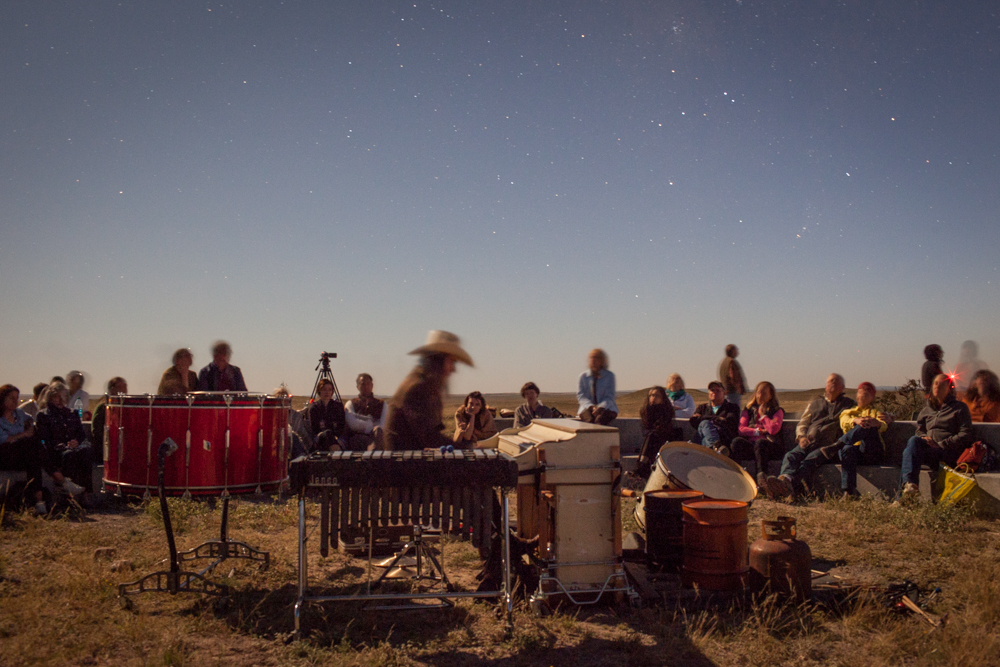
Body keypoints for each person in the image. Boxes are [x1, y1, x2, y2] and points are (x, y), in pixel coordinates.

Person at [764, 374, 856, 499]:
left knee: (808, 461)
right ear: (825, 386)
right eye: (830, 381)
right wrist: (801, 437)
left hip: (828, 446)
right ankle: (783, 480)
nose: (833, 383)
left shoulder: (849, 405)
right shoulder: (815, 403)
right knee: (791, 456)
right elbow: (804, 422)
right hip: (809, 442)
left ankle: (789, 490)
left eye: (836, 382)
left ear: (843, 387)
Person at [387, 330, 474, 451]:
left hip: (414, 458)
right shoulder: (417, 388)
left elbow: (432, 434)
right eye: (452, 361)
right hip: (405, 464)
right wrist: (467, 448)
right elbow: (429, 438)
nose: (454, 369)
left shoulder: (426, 385)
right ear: (438, 360)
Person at [899, 374, 973, 499]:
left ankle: (903, 496)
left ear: (949, 388)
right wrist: (924, 437)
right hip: (929, 451)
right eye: (935, 383)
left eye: (942, 383)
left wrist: (941, 444)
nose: (937, 386)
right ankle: (909, 489)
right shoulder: (927, 410)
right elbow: (919, 430)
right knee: (911, 446)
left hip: (947, 452)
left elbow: (965, 434)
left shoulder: (959, 408)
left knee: (909, 454)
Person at [823, 382, 893, 498]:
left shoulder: (877, 412)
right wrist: (855, 421)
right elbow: (843, 422)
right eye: (862, 390)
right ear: (857, 395)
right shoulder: (848, 412)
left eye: (868, 391)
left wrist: (878, 423)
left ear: (872, 397)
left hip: (872, 451)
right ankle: (849, 493)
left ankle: (836, 446)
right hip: (854, 453)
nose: (864, 392)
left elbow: (884, 424)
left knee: (868, 425)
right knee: (847, 448)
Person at [35, 381, 92, 498]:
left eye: (63, 397)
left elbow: (81, 434)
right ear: (50, 398)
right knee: (69, 455)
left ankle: (87, 493)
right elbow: (44, 438)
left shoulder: (72, 414)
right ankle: (68, 494)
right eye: (57, 397)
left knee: (86, 452)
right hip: (56, 451)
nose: (61, 401)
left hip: (73, 447)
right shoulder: (44, 415)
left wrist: (76, 441)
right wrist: (62, 445)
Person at [0, 384, 47, 514]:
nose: (15, 402)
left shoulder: (19, 414)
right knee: (30, 445)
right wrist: (24, 435)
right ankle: (56, 481)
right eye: (11, 398)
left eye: (17, 398)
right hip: (6, 454)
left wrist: (30, 428)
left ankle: (39, 500)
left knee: (33, 455)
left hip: (23, 453)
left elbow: (31, 420)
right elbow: (4, 439)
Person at [730, 381, 785, 486]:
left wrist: (764, 416)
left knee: (761, 443)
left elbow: (773, 430)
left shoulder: (777, 411)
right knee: (736, 442)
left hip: (771, 446)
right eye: (758, 392)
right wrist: (758, 431)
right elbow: (741, 429)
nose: (760, 396)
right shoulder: (748, 410)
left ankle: (762, 478)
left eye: (764, 393)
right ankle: (736, 476)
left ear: (771, 395)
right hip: (753, 445)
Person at [689, 381, 740, 456]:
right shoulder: (702, 408)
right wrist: (717, 418)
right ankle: (715, 448)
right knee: (705, 424)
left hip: (722, 438)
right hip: (703, 438)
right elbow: (693, 421)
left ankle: (712, 448)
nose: (714, 392)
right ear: (708, 393)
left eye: (718, 390)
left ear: (724, 393)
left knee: (705, 426)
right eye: (712, 390)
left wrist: (702, 418)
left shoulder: (732, 407)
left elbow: (729, 422)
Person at [635, 386, 676, 478]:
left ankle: (640, 466)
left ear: (662, 398)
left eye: (657, 395)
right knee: (650, 437)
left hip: (664, 438)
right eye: (651, 395)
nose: (653, 398)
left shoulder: (666, 411)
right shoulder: (645, 411)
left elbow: (662, 428)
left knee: (652, 436)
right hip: (650, 439)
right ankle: (642, 467)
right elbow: (645, 429)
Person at [344, 373, 388, 451]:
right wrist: (370, 424)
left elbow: (383, 425)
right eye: (363, 384)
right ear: (357, 387)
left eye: (368, 384)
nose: (366, 386)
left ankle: (374, 457)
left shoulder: (382, 404)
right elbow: (353, 423)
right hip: (357, 438)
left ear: (372, 385)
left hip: (376, 437)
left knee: (378, 431)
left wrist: (373, 429)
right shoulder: (350, 404)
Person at [90, 377, 127, 466]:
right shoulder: (103, 408)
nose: (123, 390)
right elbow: (97, 433)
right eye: (120, 387)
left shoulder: (125, 408)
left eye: (125, 387)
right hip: (105, 450)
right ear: (112, 389)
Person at [577, 349, 617, 425]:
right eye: (591, 357)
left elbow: (610, 396)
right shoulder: (583, 376)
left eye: (596, 357)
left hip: (607, 408)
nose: (593, 360)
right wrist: (591, 407)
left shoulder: (609, 376)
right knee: (589, 421)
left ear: (602, 360)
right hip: (586, 408)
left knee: (600, 420)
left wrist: (601, 407)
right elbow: (581, 396)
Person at [307, 379, 347, 451]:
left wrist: (335, 436)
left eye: (329, 390)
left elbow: (341, 425)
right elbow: (315, 428)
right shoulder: (314, 408)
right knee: (327, 434)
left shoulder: (338, 406)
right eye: (324, 389)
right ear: (319, 391)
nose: (327, 392)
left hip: (337, 437)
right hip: (321, 437)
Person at [274, 385, 314, 459]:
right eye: (280, 398)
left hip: (296, 446)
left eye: (285, 398)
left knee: (293, 437)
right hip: (278, 445)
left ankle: (301, 459)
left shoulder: (295, 416)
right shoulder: (273, 416)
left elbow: (303, 433)